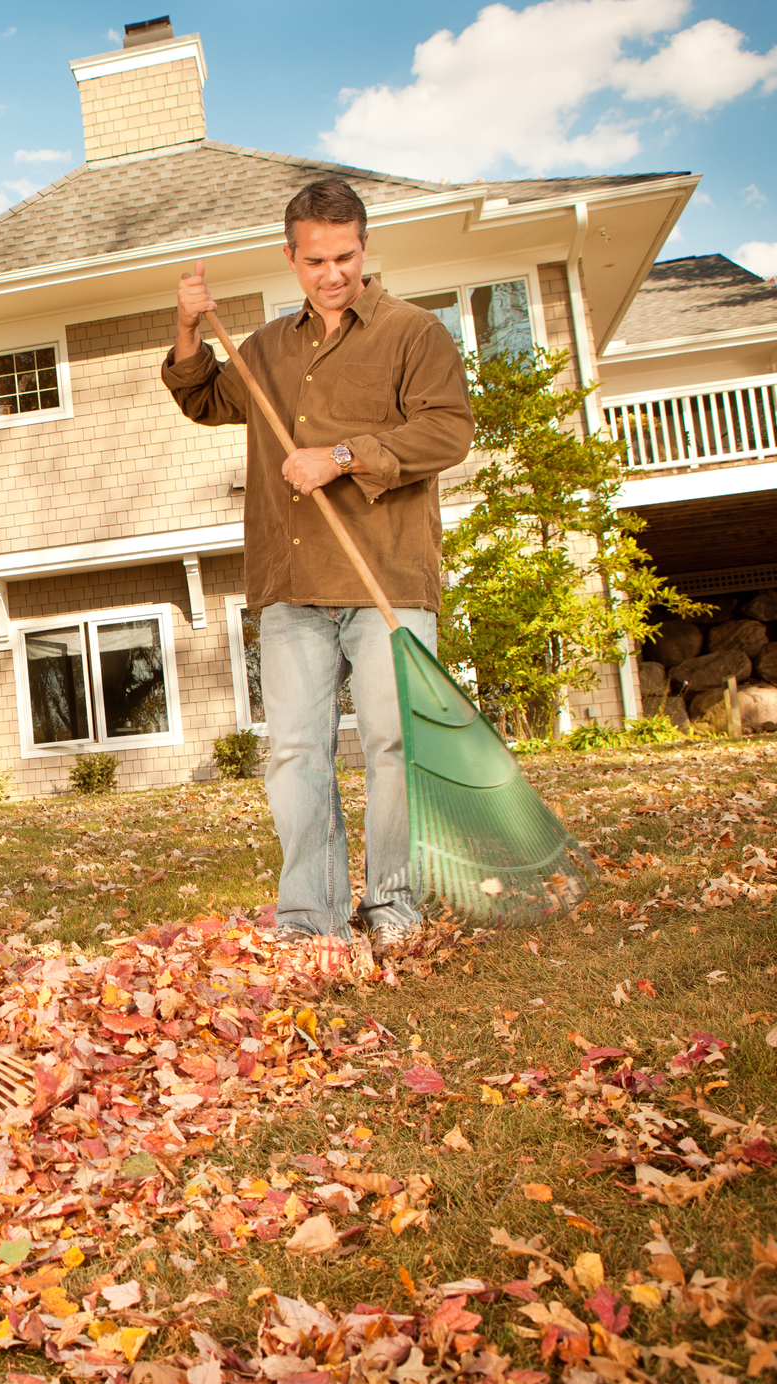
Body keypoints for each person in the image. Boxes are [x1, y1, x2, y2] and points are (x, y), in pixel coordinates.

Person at [161, 176, 474, 955]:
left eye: (343, 256)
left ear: (363, 248)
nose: (330, 273)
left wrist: (340, 457)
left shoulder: (412, 333)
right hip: (291, 583)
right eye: (314, 260)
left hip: (384, 580)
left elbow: (447, 433)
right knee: (295, 752)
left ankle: (393, 907)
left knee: (393, 746)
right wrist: (188, 326)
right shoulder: (266, 347)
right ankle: (312, 919)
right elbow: (200, 398)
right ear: (290, 259)